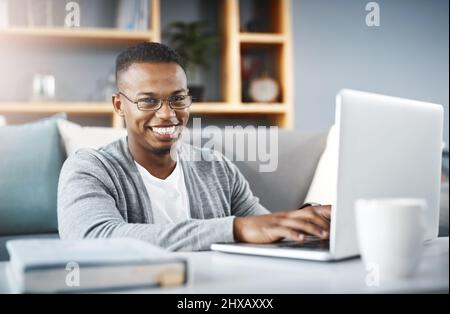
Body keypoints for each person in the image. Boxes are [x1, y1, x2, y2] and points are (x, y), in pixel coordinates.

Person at [57, 42, 331, 251]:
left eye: (178, 98)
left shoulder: (217, 168)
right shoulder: (89, 168)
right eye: (148, 101)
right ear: (119, 105)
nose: (167, 114)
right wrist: (233, 229)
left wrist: (307, 223)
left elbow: (264, 229)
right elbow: (93, 239)